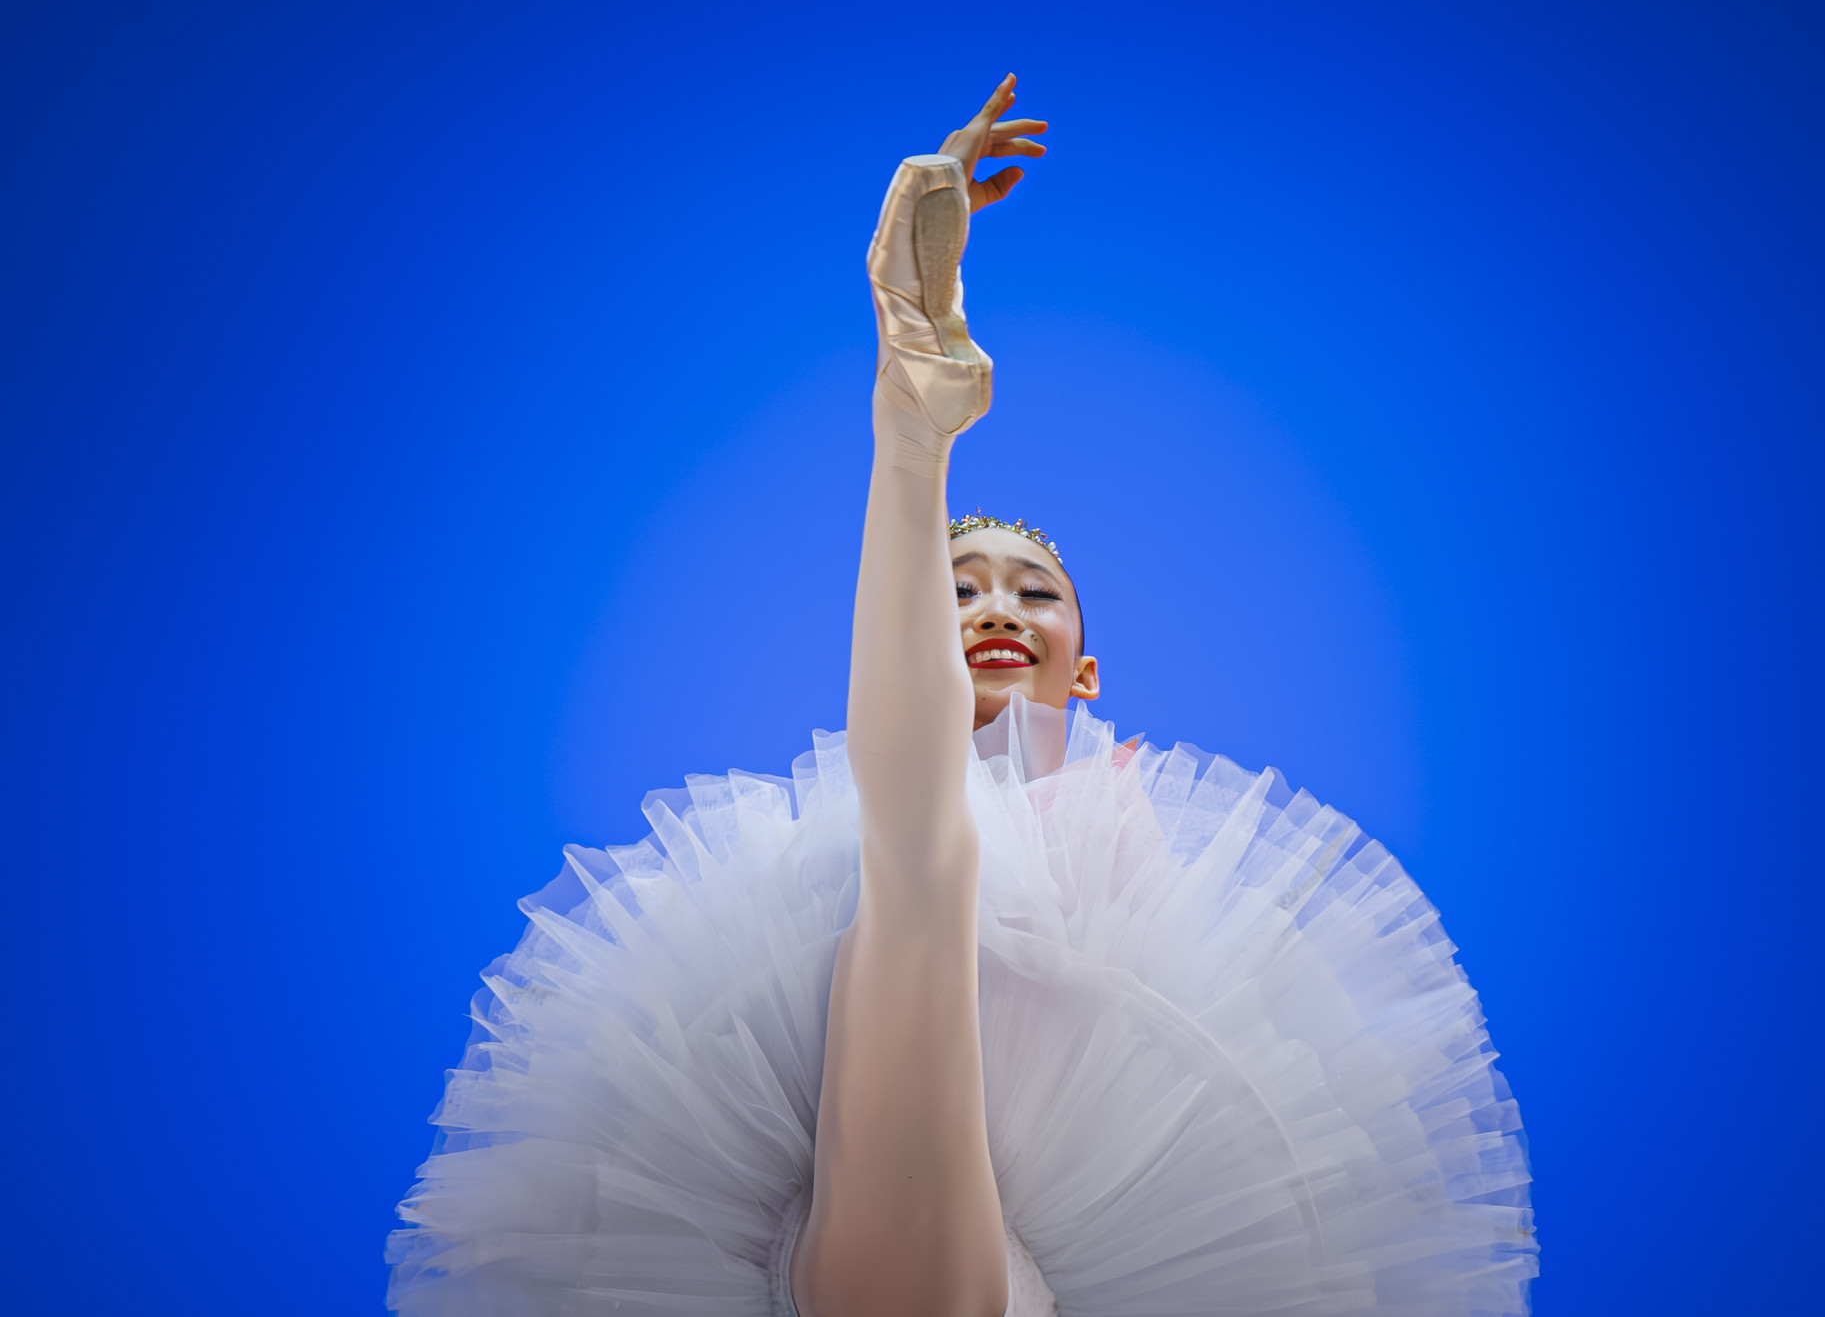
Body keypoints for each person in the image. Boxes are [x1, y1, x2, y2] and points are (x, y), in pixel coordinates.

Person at [387, 77, 1536, 1317]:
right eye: (959, 589)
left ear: (1084, 669)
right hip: (846, 1214)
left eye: (1032, 594)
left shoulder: (1135, 818)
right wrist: (914, 435)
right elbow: (912, 796)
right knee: (920, 859)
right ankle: (912, 421)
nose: (994, 609)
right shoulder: (873, 812)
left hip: (1054, 1253)